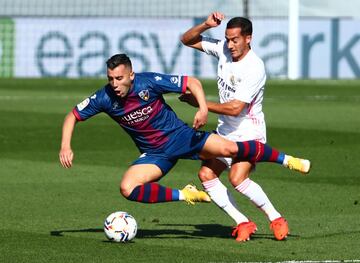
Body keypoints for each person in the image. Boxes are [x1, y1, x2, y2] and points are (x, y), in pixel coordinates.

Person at [59, 53, 310, 229]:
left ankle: (287, 160)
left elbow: (192, 82)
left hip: (182, 137)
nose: (114, 84)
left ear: (131, 76)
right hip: (155, 154)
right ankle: (186, 194)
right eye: (111, 78)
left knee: (231, 148)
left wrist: (202, 108)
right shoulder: (103, 97)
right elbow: (73, 115)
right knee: (128, 188)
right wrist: (65, 146)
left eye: (119, 78)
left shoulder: (148, 82)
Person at [180, 12, 310, 241]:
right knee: (206, 174)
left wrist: (201, 104)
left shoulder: (255, 67)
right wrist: (205, 25)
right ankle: (242, 222)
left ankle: (276, 218)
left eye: (235, 40)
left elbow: (235, 108)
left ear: (248, 38)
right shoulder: (222, 49)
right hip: (225, 131)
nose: (229, 45)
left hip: (250, 131)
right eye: (227, 39)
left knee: (237, 178)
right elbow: (187, 40)